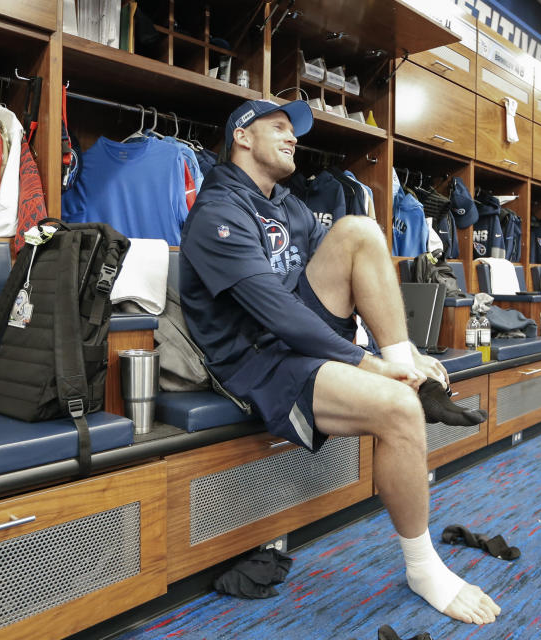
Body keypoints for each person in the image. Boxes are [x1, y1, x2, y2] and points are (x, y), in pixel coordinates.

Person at [179, 98, 500, 623]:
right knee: (396, 408)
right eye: (278, 128)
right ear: (241, 136)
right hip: (256, 360)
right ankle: (423, 568)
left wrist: (393, 355)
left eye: (293, 131)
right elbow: (276, 312)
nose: (292, 138)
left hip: (293, 339)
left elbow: (331, 287)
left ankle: (409, 365)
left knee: (360, 230)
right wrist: (365, 363)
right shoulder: (217, 211)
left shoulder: (286, 204)